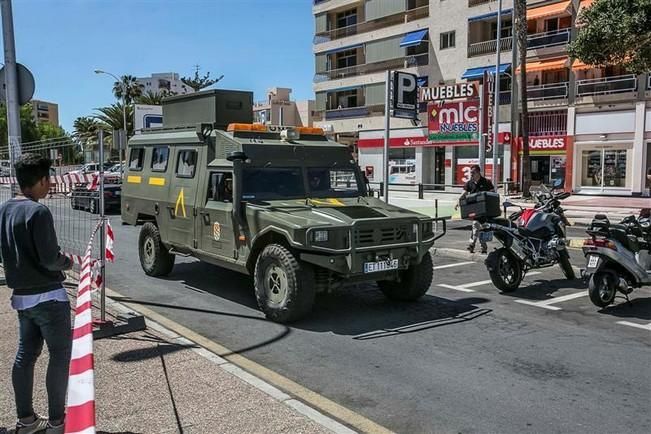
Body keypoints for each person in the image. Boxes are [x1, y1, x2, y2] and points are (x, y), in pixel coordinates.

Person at [0, 154, 73, 434]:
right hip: (49, 297)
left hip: (21, 297)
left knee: (25, 356)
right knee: (59, 356)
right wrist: (68, 263)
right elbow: (49, 258)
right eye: (49, 180)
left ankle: (26, 421)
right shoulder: (38, 212)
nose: (51, 185)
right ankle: (57, 422)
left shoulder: (5, 209)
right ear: (41, 180)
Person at [455, 164, 495, 254]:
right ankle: (472, 245)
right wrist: (458, 201)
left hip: (485, 210)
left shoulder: (486, 182)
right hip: (475, 209)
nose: (471, 174)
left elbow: (493, 194)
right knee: (476, 225)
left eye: (473, 173)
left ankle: (482, 247)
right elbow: (464, 193)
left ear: (478, 172)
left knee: (482, 228)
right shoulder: (470, 183)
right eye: (471, 173)